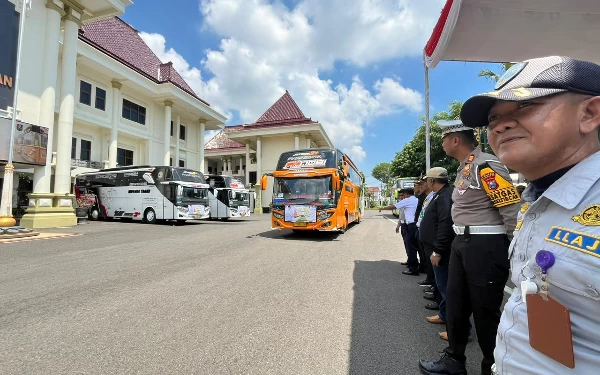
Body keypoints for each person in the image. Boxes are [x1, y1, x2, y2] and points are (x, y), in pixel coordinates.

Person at [459, 55, 600, 375]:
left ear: (589, 113)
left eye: (526, 106)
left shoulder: (486, 168)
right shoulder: (535, 202)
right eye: (493, 117)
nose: (500, 124)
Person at [419, 119, 519, 375]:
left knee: (485, 312)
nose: (442, 143)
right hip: (462, 243)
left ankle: (492, 367)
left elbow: (510, 209)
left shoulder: (485, 164)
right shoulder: (466, 167)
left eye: (444, 138)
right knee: (456, 304)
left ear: (455, 140)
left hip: (484, 244)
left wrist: (513, 248)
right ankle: (454, 359)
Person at [418, 167, 455, 329]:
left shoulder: (445, 196)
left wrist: (437, 250)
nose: (426, 183)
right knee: (442, 286)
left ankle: (455, 327)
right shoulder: (440, 195)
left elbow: (445, 224)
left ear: (432, 181)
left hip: (440, 251)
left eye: (427, 180)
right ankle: (444, 315)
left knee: (447, 288)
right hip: (434, 248)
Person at [380, 188, 420, 275]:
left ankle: (413, 268)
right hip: (416, 225)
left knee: (411, 247)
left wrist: (382, 208)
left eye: (403, 195)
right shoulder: (417, 199)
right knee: (414, 246)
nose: (403, 197)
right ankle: (414, 264)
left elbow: (394, 206)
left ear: (406, 194)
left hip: (411, 225)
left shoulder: (408, 200)